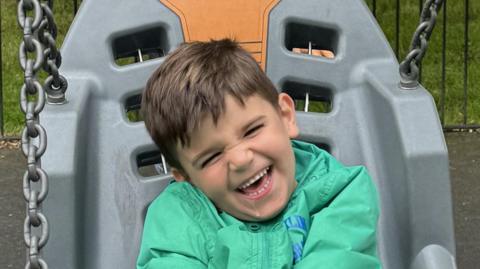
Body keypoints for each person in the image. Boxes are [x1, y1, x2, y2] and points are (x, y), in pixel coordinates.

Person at [137, 39, 381, 268]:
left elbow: (337, 259)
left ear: (285, 116)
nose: (241, 160)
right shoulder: (177, 216)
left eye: (251, 130)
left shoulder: (340, 193)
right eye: (211, 157)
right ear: (186, 175)